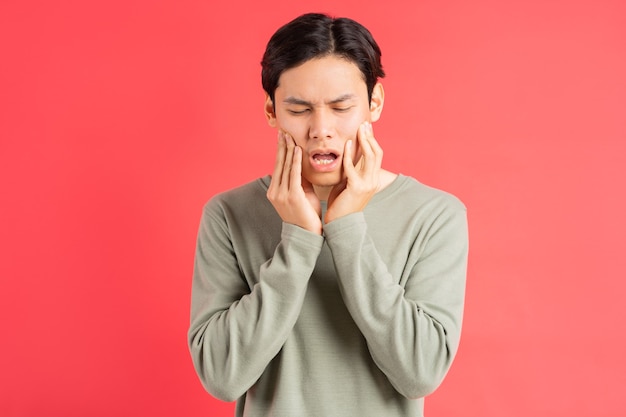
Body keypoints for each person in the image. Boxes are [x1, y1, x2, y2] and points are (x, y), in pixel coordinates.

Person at [188, 12, 468, 417]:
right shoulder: (229, 214)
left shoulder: (434, 214)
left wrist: (347, 229)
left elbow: (420, 373)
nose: (321, 128)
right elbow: (222, 377)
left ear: (374, 103)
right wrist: (298, 240)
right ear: (272, 111)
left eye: (341, 107)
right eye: (300, 110)